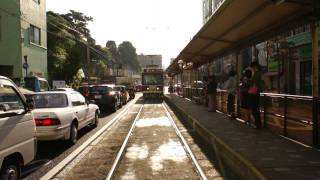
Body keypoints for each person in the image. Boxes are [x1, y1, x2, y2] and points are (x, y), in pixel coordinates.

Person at [248, 61, 264, 129]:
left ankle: (258, 124)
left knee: (255, 110)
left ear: (255, 67)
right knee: (255, 109)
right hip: (255, 93)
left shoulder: (257, 74)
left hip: (255, 94)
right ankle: (257, 124)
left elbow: (255, 84)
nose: (252, 69)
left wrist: (252, 90)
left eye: (252, 67)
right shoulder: (257, 73)